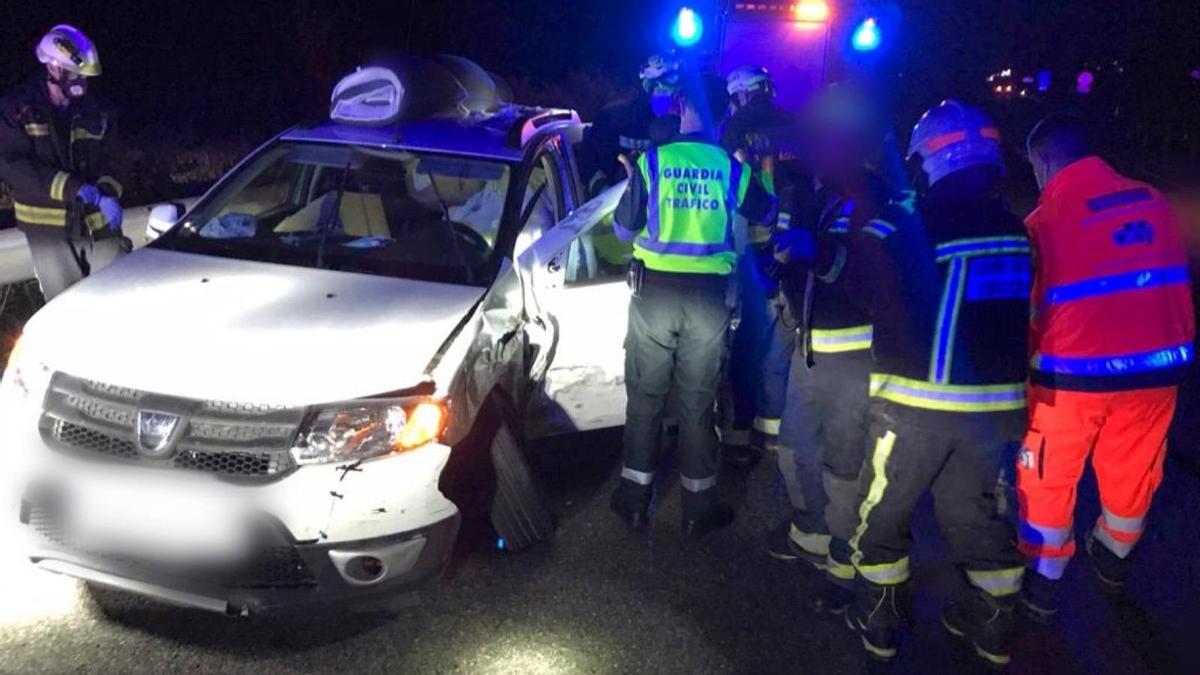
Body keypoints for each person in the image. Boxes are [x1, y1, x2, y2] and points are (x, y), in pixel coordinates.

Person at [803, 97, 1029, 667]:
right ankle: (994, 628)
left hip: (916, 406)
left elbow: (861, 288)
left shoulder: (909, 222)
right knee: (974, 517)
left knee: (879, 515)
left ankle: (878, 619)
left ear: (932, 156)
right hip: (995, 414)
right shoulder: (1015, 229)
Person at [1017, 115, 1194, 621]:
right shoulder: (1154, 202)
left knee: (1049, 476)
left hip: (1070, 379)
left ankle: (1045, 582)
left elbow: (1031, 312)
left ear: (1046, 159)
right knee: (1133, 469)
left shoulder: (1044, 221)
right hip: (1156, 373)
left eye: (1034, 167)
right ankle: (1115, 557)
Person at [610, 73, 775, 537]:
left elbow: (623, 232)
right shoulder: (729, 166)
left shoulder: (653, 162)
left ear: (680, 106)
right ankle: (697, 508)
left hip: (654, 295)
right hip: (708, 300)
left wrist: (633, 187)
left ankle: (634, 500)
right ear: (724, 112)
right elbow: (764, 213)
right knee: (698, 402)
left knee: (645, 397)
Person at [764, 88, 878, 619]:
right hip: (811, 352)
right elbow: (800, 260)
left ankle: (843, 563)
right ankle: (810, 532)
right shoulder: (824, 192)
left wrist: (819, 252)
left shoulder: (875, 200)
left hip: (854, 360)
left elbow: (866, 277)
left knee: (844, 465)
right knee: (795, 448)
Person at [718, 65, 805, 468]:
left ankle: (738, 436)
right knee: (781, 343)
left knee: (746, 344)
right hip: (794, 248)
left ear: (740, 95)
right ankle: (774, 431)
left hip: (751, 245)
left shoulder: (733, 128)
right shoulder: (794, 123)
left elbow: (733, 189)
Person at [0, 24, 125, 300]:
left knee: (116, 301)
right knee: (65, 308)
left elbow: (113, 160)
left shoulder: (98, 110)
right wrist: (74, 188)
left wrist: (106, 194)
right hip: (49, 234)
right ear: (54, 68)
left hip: (98, 224)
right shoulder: (16, 109)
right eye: (77, 73)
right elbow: (14, 167)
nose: (83, 81)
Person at [578, 53, 683, 198]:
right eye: (666, 89)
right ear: (648, 87)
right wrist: (605, 196)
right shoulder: (613, 119)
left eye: (678, 92)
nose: (673, 98)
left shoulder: (682, 125)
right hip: (612, 206)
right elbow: (589, 165)